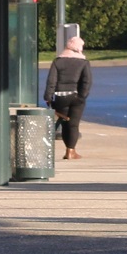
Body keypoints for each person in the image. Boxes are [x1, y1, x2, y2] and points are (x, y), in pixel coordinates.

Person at [45, 29, 93, 160]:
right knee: (73, 124)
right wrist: (82, 96)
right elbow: (86, 81)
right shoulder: (83, 63)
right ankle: (71, 151)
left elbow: (51, 80)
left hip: (60, 97)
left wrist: (48, 97)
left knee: (65, 122)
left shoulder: (57, 61)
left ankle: (69, 151)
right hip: (76, 97)